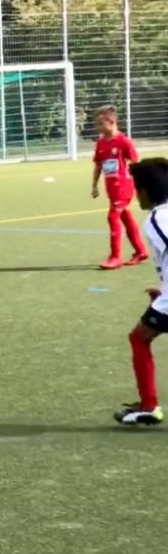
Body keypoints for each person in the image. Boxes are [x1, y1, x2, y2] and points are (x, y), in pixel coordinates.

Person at [116, 157, 168, 426]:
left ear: (146, 191)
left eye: (137, 189)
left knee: (139, 337)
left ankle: (149, 406)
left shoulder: (158, 218)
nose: (136, 196)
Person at [91, 105, 147, 270]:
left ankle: (115, 257)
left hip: (123, 187)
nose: (98, 127)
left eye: (101, 124)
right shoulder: (101, 142)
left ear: (112, 122)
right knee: (126, 217)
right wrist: (94, 185)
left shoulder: (123, 141)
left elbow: (135, 163)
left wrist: (138, 184)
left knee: (113, 217)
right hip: (111, 188)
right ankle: (141, 251)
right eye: (97, 124)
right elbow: (99, 165)